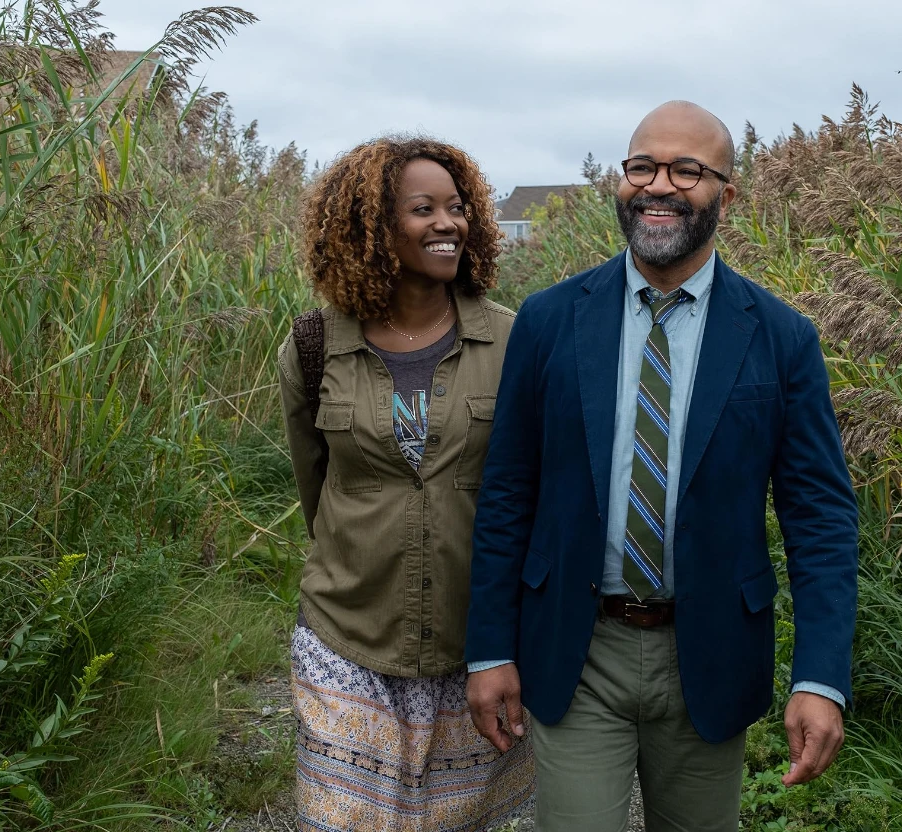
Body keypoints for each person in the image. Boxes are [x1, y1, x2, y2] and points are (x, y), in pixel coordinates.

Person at [464, 101, 859, 832]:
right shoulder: (549, 320)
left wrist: (819, 676)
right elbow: (507, 493)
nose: (659, 185)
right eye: (642, 166)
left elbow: (819, 517)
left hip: (707, 650)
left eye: (687, 170)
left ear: (726, 195)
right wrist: (488, 648)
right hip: (576, 649)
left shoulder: (779, 338)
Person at [278, 136, 534, 832]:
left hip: (472, 643)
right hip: (346, 633)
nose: (446, 223)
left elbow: (532, 494)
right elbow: (317, 485)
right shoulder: (313, 345)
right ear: (370, 226)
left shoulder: (517, 342)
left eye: (457, 208)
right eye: (423, 209)